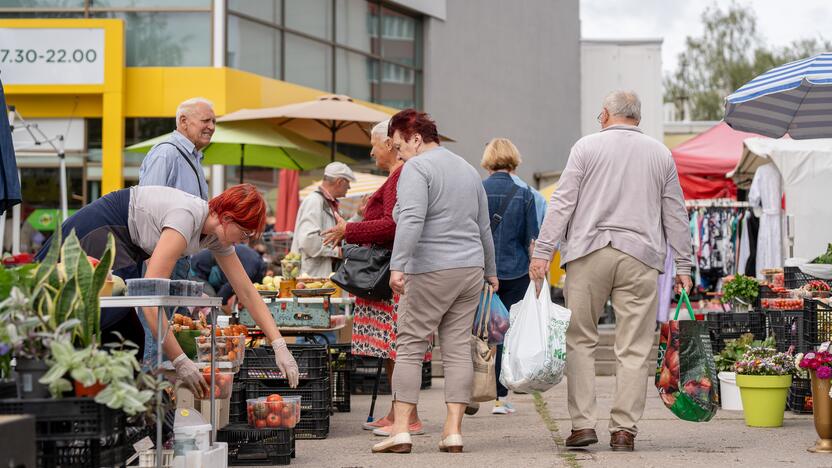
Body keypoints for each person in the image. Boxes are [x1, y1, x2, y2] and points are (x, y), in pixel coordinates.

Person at [529, 91, 693, 452]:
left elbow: (563, 202)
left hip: (589, 253)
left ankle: (583, 425)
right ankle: (624, 430)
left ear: (604, 115)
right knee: (634, 346)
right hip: (640, 258)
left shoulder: (585, 148)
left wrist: (543, 252)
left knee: (581, 340)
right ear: (638, 117)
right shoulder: (660, 154)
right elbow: (675, 213)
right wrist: (683, 264)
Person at [36, 184, 300, 398]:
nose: (244, 241)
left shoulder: (214, 234)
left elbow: (246, 291)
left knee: (125, 336)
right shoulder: (186, 219)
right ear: (227, 218)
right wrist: (180, 360)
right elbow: (149, 298)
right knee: (91, 321)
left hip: (128, 247)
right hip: (103, 230)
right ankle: (64, 394)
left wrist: (279, 345)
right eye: (243, 234)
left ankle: (108, 408)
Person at [371, 109, 497, 454]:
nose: (397, 153)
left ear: (415, 138)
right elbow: (483, 224)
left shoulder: (417, 168)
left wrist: (398, 265)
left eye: (398, 145)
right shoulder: (468, 169)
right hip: (470, 268)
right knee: (457, 350)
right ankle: (453, 432)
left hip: (430, 267)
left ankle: (400, 430)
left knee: (410, 346)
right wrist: (491, 270)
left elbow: (411, 217)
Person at [322, 119, 425, 436]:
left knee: (396, 346)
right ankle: (398, 413)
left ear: (390, 144)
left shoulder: (399, 177)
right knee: (395, 347)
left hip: (391, 273)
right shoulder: (397, 178)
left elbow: (392, 227)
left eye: (373, 143)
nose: (370, 149)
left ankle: (406, 417)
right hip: (391, 270)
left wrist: (348, 229)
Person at [480, 138, 539, 415]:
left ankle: (472, 389)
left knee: (481, 330)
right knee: (507, 334)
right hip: (516, 272)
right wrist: (537, 275)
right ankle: (499, 398)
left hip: (481, 272)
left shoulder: (477, 190)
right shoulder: (524, 194)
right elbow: (532, 240)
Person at [290, 162, 356, 277]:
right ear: (340, 182)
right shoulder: (315, 201)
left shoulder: (326, 202)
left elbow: (339, 231)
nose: (349, 187)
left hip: (318, 276)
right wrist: (338, 252)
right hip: (312, 277)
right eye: (348, 183)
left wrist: (359, 215)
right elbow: (309, 241)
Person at [189, 242, 266, 314]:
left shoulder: (255, 263)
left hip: (212, 269)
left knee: (216, 302)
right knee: (212, 302)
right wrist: (220, 302)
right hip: (198, 269)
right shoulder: (252, 268)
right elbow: (232, 285)